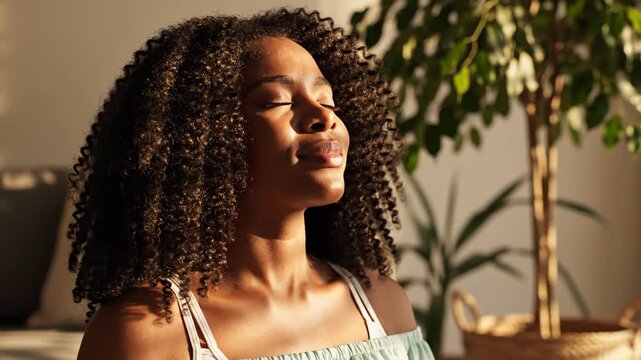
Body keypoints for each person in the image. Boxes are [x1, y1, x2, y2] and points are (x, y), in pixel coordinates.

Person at [71, 7, 434, 360]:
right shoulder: (146, 334)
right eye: (277, 101)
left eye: (327, 100)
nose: (324, 117)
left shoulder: (385, 306)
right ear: (207, 140)